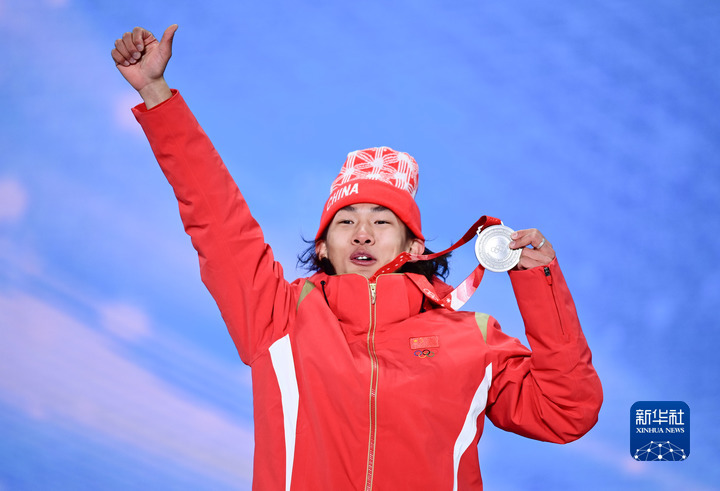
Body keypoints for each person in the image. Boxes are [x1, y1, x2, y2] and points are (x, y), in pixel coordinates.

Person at [112, 25, 602, 490]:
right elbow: (218, 220)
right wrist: (156, 94)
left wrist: (540, 283)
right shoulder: (280, 318)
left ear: (413, 247)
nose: (362, 233)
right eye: (345, 222)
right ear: (323, 246)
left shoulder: (473, 339)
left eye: (382, 222)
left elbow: (566, 412)